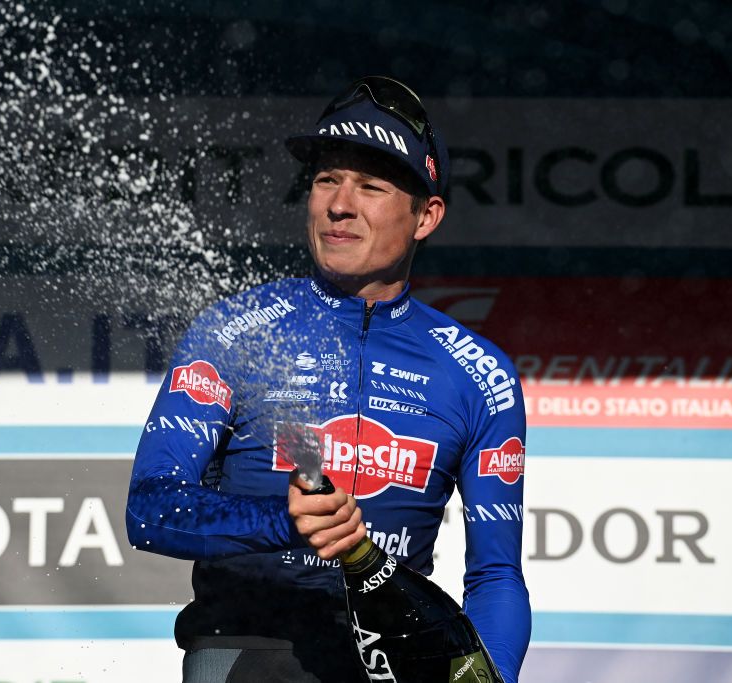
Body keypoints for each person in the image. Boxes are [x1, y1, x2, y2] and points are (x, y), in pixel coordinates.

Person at [126, 76, 531, 683]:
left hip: (393, 661)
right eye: (325, 180)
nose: (340, 204)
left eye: (370, 185)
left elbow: (496, 577)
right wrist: (279, 521)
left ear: (427, 216)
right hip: (249, 648)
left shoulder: (480, 373)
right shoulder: (236, 331)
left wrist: (492, 674)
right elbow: (150, 510)